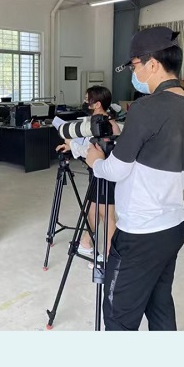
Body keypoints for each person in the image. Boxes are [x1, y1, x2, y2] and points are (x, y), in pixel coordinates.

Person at [60, 28, 184, 331]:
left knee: (118, 316)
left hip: (141, 233)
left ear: (153, 64)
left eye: (134, 66)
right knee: (159, 306)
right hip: (173, 226)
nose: (134, 74)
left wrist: (95, 161)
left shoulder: (146, 107)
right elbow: (153, 151)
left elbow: (115, 170)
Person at [67, 86, 120, 256]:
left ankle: (109, 256)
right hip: (95, 173)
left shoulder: (107, 125)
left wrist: (71, 145)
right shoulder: (95, 123)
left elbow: (93, 152)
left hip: (105, 174)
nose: (85, 102)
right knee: (92, 210)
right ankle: (85, 242)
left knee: (107, 216)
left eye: (87, 99)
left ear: (97, 104)